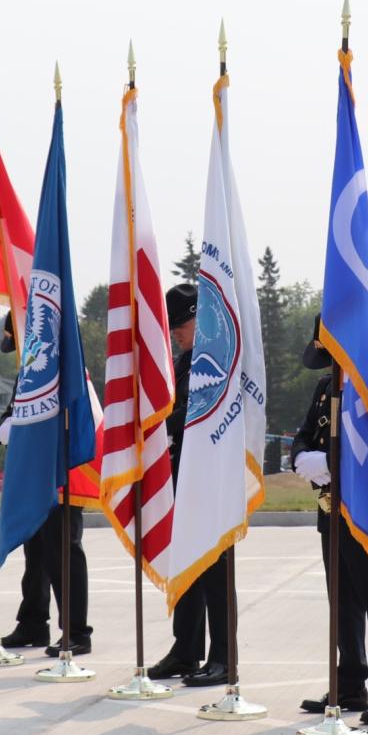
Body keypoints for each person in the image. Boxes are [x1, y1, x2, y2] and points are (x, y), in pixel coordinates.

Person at [292, 313, 368, 725]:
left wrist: (329, 461)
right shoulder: (327, 386)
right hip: (331, 512)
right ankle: (350, 685)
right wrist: (302, 458)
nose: (328, 363)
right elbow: (304, 433)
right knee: (343, 604)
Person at [0, 310, 94, 656]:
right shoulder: (30, 372)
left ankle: (77, 631)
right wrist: (9, 428)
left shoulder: (64, 368)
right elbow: (5, 423)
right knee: (35, 552)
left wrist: (17, 429)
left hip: (62, 475)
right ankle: (33, 622)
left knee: (64, 553)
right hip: (37, 477)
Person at [147, 284, 230, 687]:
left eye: (180, 324)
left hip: (213, 475)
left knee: (215, 568)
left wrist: (162, 428)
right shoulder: (183, 362)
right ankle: (186, 649)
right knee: (187, 567)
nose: (176, 332)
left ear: (200, 317)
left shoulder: (218, 355)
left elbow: (204, 410)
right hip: (184, 473)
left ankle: (223, 657)